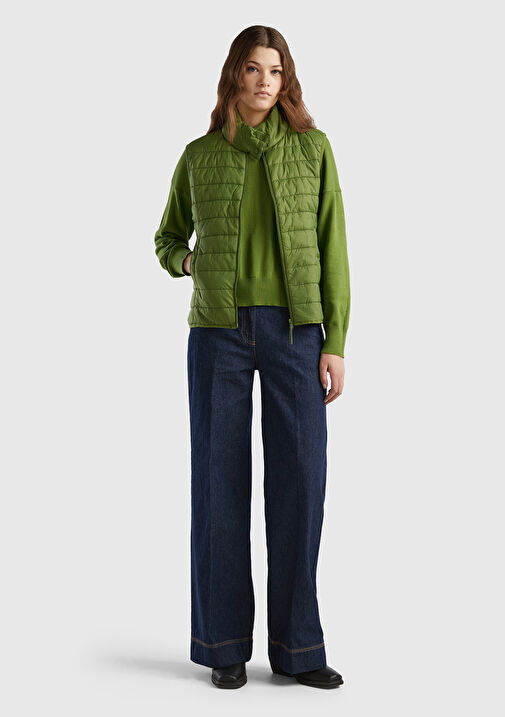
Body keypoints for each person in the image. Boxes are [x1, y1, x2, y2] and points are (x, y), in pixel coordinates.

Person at [154, 25, 350, 690]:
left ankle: (298, 649)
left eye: (275, 70)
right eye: (253, 68)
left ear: (285, 79)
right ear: (234, 75)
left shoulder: (313, 149)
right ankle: (223, 645)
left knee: (301, 481)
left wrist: (335, 340)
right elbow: (167, 236)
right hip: (218, 332)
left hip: (297, 332)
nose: (265, 81)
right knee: (218, 484)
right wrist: (189, 262)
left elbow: (333, 245)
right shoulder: (200, 155)